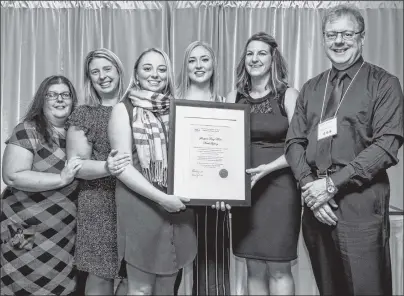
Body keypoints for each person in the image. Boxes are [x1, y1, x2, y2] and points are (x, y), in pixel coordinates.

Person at [285, 4, 404, 295]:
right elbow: (294, 143)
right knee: (329, 289)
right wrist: (311, 187)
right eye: (331, 35)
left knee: (366, 288)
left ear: (361, 37)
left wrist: (331, 185)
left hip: (359, 204)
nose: (339, 41)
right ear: (324, 39)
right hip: (316, 207)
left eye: (347, 34)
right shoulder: (312, 88)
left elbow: (387, 145)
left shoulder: (385, 84)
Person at [108, 47, 197, 295]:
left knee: (167, 287)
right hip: (141, 204)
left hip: (176, 206)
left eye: (161, 69)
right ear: (136, 75)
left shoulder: (180, 109)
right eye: (147, 68)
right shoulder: (122, 110)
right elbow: (122, 167)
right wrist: (162, 199)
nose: (155, 74)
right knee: (141, 289)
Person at [226, 32, 300, 295]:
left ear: (273, 59)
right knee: (252, 265)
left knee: (279, 268)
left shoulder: (288, 95)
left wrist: (268, 168)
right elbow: (223, 145)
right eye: (249, 53)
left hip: (281, 190)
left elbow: (300, 144)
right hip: (246, 192)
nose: (254, 58)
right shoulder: (234, 96)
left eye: (261, 53)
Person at [1, 75, 82, 295]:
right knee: (19, 283)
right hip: (22, 226)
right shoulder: (27, 130)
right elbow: (12, 176)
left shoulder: (77, 135)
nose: (59, 99)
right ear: (42, 99)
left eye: (65, 94)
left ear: (73, 100)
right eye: (52, 94)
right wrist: (61, 179)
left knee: (59, 287)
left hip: (62, 232)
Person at [66, 48, 130, 295]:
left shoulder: (134, 108)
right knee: (101, 275)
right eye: (95, 72)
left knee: (132, 275)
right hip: (98, 203)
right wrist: (108, 167)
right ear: (89, 78)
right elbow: (76, 164)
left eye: (107, 69)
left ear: (118, 71)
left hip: (135, 202)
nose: (102, 76)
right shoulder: (84, 113)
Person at [176, 40, 231, 295]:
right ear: (185, 66)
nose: (199, 65)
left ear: (214, 64)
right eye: (192, 60)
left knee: (213, 266)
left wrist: (229, 191)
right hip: (173, 197)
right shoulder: (171, 101)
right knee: (169, 267)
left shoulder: (227, 101)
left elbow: (231, 153)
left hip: (214, 199)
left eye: (204, 59)